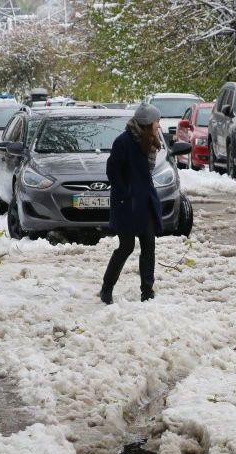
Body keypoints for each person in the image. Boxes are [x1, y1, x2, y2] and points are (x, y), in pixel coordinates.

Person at [101, 104, 163, 304]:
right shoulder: (124, 142)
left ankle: (147, 290)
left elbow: (146, 174)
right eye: (156, 121)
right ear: (147, 123)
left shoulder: (151, 141)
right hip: (126, 204)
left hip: (144, 203)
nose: (159, 125)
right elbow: (112, 170)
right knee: (126, 246)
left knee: (148, 245)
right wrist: (124, 193)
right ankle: (107, 288)